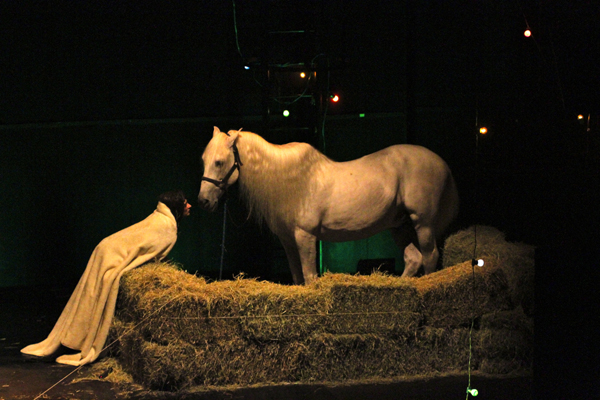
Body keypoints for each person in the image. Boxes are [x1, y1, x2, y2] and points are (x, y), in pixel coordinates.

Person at [20, 190, 191, 366]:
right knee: (92, 294)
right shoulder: (166, 226)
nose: (189, 206)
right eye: (186, 203)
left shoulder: (160, 218)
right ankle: (81, 343)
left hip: (107, 248)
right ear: (176, 206)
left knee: (88, 293)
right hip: (110, 253)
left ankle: (70, 338)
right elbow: (147, 251)